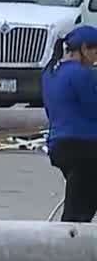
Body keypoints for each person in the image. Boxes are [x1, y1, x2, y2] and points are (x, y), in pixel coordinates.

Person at [42, 25, 97, 222]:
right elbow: (93, 109)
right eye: (95, 52)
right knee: (78, 213)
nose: (95, 59)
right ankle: (68, 246)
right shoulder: (82, 74)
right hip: (84, 147)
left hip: (59, 146)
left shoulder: (49, 72)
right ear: (83, 49)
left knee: (83, 200)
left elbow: (50, 111)